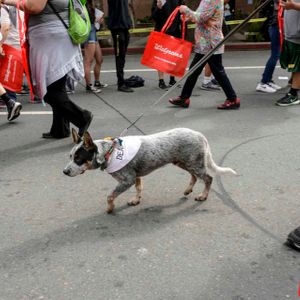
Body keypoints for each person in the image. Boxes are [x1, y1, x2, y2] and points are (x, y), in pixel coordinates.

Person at [2, 0, 93, 139]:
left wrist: (8, 1)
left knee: (50, 92)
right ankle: (60, 129)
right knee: (56, 85)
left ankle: (82, 117)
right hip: (57, 35)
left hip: (50, 37)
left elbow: (34, 7)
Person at [169, 1, 240, 109]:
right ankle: (184, 98)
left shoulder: (213, 0)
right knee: (194, 71)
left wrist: (186, 10)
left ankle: (233, 99)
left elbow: (200, 17)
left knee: (218, 72)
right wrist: (189, 17)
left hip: (211, 43)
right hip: (204, 42)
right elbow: (199, 15)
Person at [151, 0, 185, 90]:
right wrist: (158, 8)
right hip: (161, 30)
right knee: (160, 56)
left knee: (173, 57)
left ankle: (172, 79)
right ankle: (161, 81)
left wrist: (183, 18)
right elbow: (154, 17)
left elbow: (183, 11)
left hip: (175, 31)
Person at [275, 0, 300, 106]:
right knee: (294, 65)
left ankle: (293, 94)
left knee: (297, 66)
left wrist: (294, 5)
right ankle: (293, 87)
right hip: (291, 34)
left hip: (297, 36)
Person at [0, 6, 22, 121]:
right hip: (18, 42)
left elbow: (5, 27)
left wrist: (0, 43)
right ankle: (9, 102)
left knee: (7, 76)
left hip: (9, 44)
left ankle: (9, 101)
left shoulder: (4, 7)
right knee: (8, 76)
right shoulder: (16, 3)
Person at [256, 0, 282, 93]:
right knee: (275, 55)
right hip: (276, 25)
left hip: (276, 24)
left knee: (276, 54)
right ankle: (263, 82)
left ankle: (268, 80)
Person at [107, 0, 133, 93]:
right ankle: (120, 83)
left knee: (122, 56)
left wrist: (129, 23)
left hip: (125, 27)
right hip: (117, 29)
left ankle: (122, 81)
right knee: (119, 56)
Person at [83, 0, 107, 93]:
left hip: (93, 31)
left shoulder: (90, 4)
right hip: (89, 31)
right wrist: (97, 20)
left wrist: (98, 20)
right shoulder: (83, 5)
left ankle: (97, 82)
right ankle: (88, 85)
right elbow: (84, 19)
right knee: (89, 61)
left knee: (99, 59)